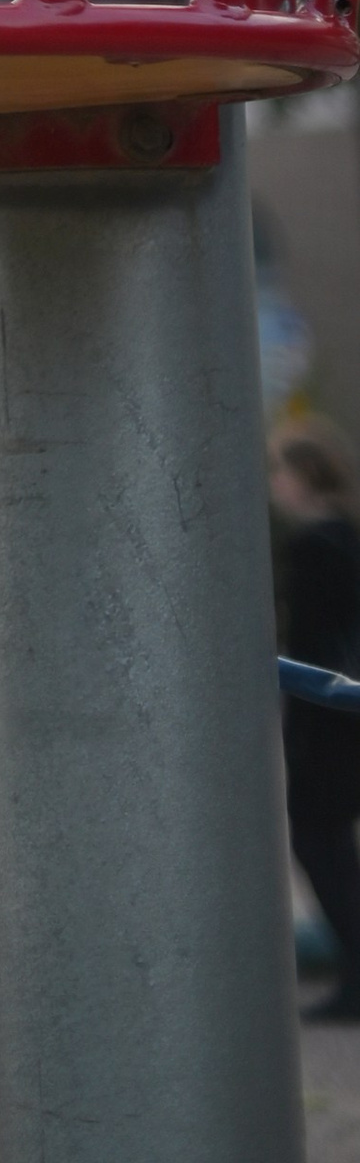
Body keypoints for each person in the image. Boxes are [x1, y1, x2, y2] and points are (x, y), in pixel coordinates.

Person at [271, 414, 360, 1021]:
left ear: (302, 476)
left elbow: (302, 647)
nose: (273, 484)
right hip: (345, 715)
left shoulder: (312, 545)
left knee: (320, 844)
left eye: (278, 471)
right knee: (332, 846)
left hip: (323, 722)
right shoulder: (347, 535)